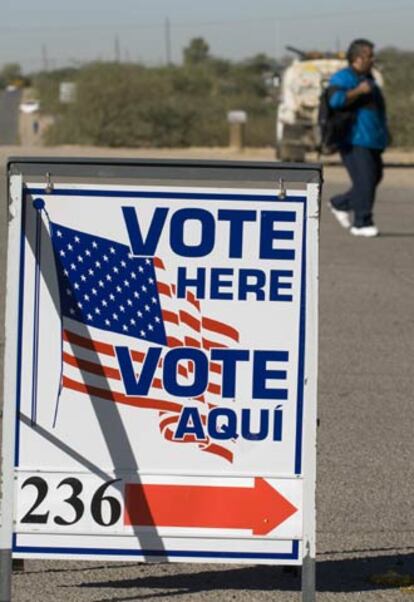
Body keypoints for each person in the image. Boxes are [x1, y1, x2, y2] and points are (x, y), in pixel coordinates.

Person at [328, 39, 389, 237]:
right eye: (369, 55)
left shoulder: (370, 78)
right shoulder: (343, 78)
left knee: (374, 178)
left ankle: (340, 203)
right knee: (365, 181)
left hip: (373, 139)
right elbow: (335, 101)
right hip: (354, 139)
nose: (373, 59)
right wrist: (357, 91)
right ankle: (362, 222)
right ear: (357, 58)